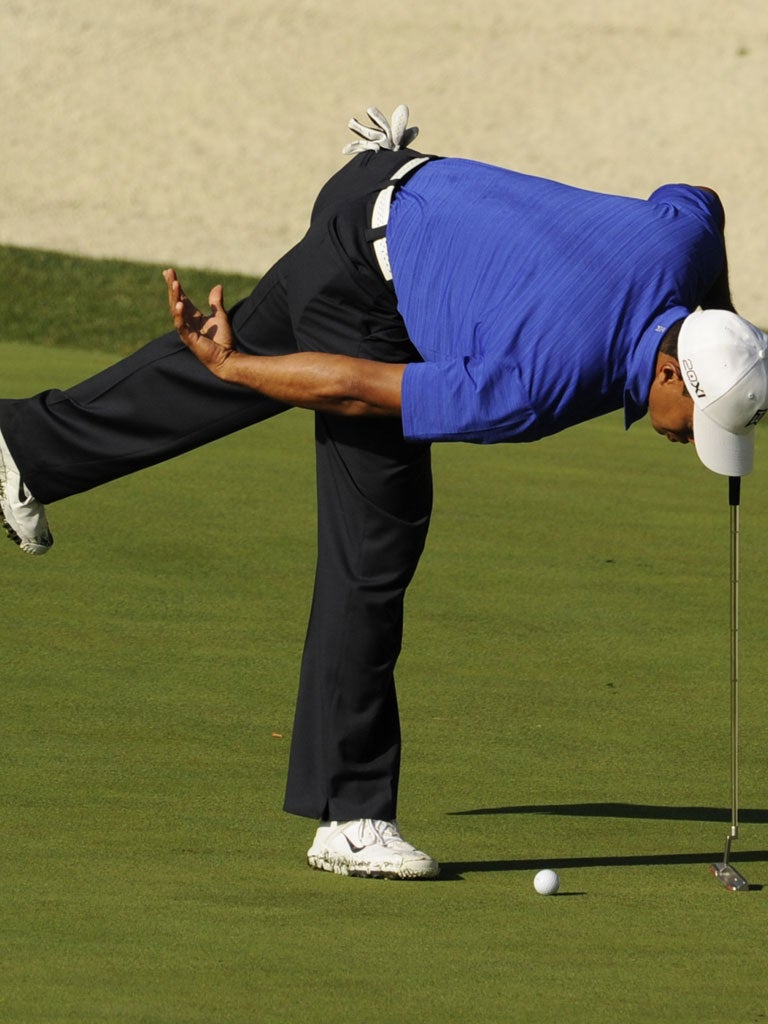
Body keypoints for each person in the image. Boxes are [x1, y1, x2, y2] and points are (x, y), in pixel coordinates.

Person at [1, 106, 767, 881]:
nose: (688, 440)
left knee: (229, 359)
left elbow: (700, 196)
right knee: (376, 542)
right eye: (697, 422)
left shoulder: (683, 246)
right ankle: (349, 815)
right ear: (669, 372)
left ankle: (23, 446)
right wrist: (240, 370)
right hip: (368, 290)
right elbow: (361, 389)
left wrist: (724, 329)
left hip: (380, 190)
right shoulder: (539, 385)